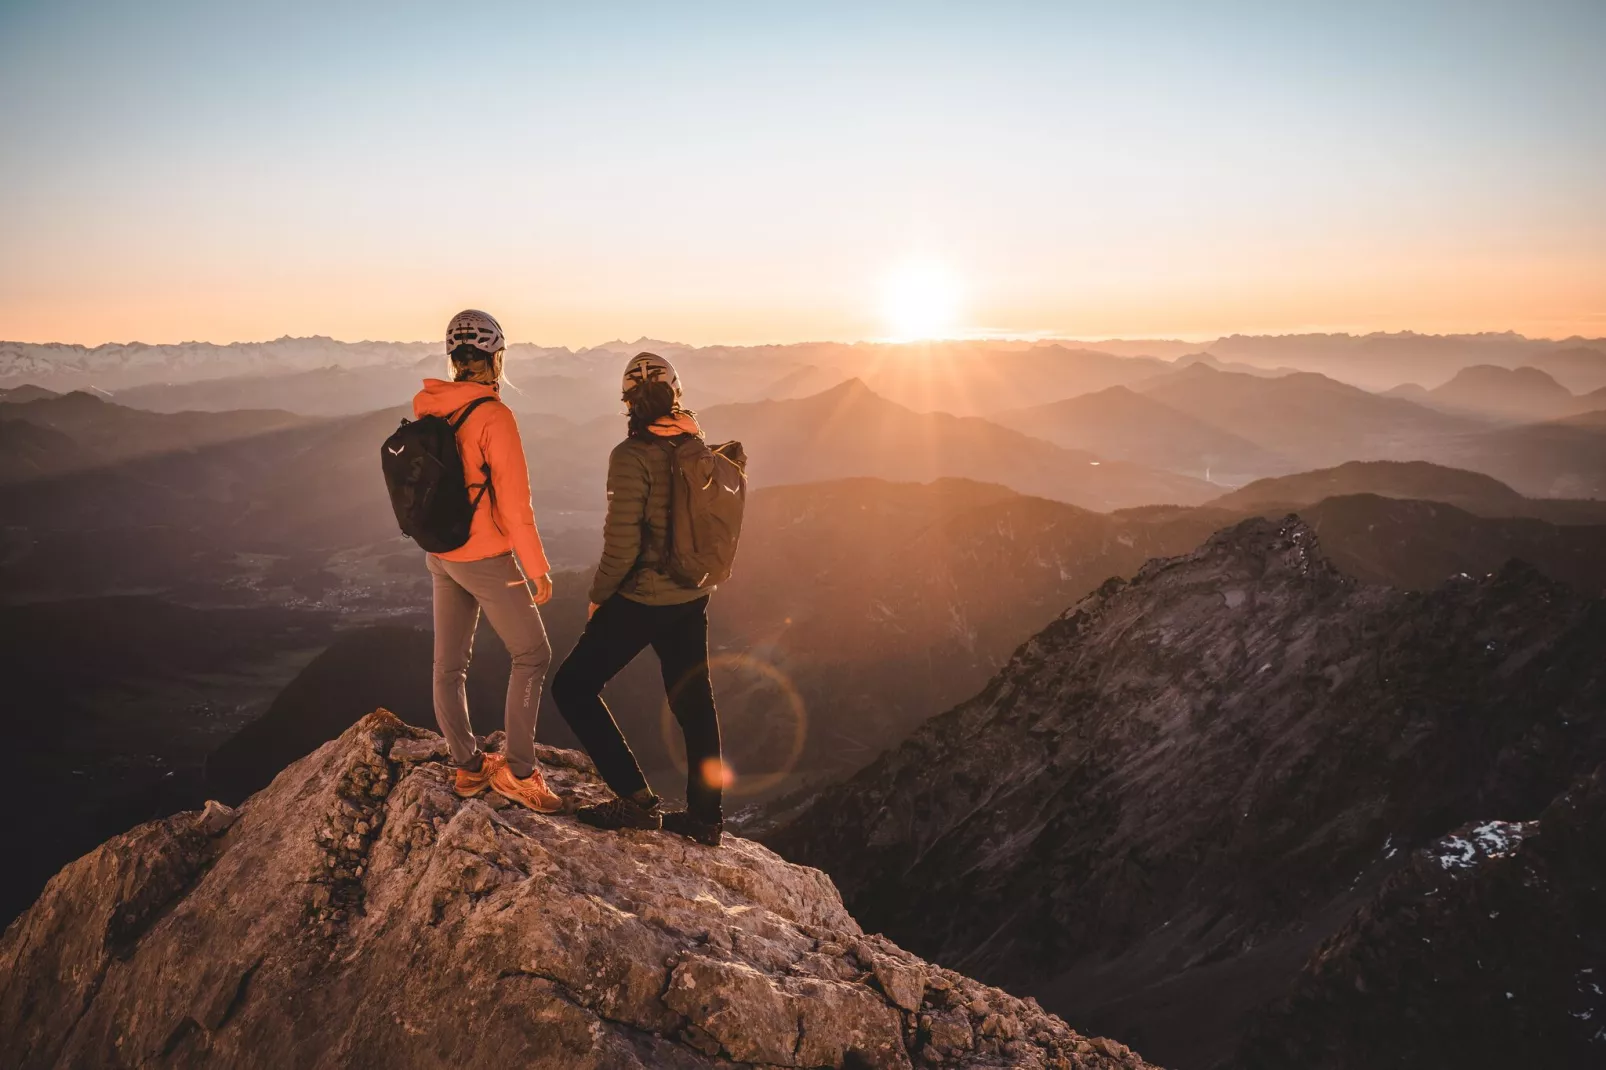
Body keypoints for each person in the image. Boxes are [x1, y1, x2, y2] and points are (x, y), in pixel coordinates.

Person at [552, 352, 726, 847]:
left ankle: (636, 801)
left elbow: (622, 543)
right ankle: (705, 819)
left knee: (573, 687)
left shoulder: (629, 457)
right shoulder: (696, 446)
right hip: (692, 594)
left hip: (644, 597)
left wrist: (599, 595)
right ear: (676, 394)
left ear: (628, 400)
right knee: (694, 704)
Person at [416, 309, 562, 813]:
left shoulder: (431, 407)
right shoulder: (494, 416)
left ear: (454, 358)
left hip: (442, 553)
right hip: (486, 557)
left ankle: (468, 768)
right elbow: (515, 505)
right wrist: (535, 567)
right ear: (496, 358)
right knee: (532, 654)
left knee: (448, 665)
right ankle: (520, 772)